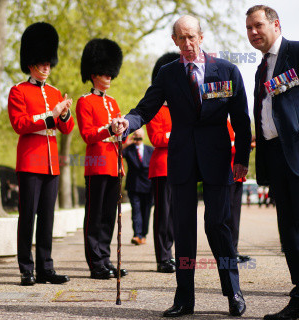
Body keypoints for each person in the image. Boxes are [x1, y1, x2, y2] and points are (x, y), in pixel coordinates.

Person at [111, 15, 251, 317]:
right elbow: (144, 109)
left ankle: (234, 291)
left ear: (201, 37)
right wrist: (126, 122)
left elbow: (241, 119)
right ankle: (185, 298)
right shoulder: (167, 74)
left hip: (216, 159)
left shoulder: (227, 70)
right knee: (184, 229)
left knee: (218, 226)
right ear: (174, 41)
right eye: (181, 38)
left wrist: (241, 158)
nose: (187, 44)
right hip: (182, 159)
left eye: (192, 37)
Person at [246, 5, 299, 319]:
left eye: (258, 25)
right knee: (290, 234)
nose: (253, 33)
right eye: (249, 28)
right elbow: (263, 116)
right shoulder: (259, 70)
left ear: (275, 24)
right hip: (276, 159)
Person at [8, 22, 73, 286]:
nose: (47, 67)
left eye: (49, 63)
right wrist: (51, 115)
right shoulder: (18, 91)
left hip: (51, 163)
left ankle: (46, 267)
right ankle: (26, 267)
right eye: (42, 63)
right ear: (31, 64)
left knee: (48, 217)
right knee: (28, 216)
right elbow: (20, 124)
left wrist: (65, 113)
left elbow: (66, 128)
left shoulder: (55, 92)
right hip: (30, 161)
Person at [76, 38, 128, 280]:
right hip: (96, 165)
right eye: (105, 74)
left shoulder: (113, 102)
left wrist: (122, 135)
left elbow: (118, 137)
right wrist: (109, 129)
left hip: (113, 164)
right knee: (95, 216)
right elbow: (87, 135)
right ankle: (95, 262)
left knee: (108, 216)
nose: (109, 77)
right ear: (94, 74)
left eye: (111, 74)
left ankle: (106, 260)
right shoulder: (84, 102)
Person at [145, 52, 179, 274]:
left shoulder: (180, 106)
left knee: (177, 216)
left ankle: (172, 254)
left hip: (181, 166)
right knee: (163, 215)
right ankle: (163, 257)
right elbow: (157, 138)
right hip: (162, 166)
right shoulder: (156, 108)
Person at [122, 128, 154, 246]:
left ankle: (143, 235)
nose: (137, 138)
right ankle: (137, 235)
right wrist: (127, 143)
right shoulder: (128, 150)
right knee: (136, 211)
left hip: (149, 186)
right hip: (133, 186)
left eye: (139, 136)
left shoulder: (150, 150)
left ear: (144, 137)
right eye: (135, 136)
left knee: (146, 212)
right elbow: (117, 152)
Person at [226, 120, 250, 263]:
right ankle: (228, 251)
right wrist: (243, 146)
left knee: (235, 217)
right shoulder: (221, 120)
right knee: (227, 215)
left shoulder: (231, 121)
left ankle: (234, 250)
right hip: (226, 172)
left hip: (237, 174)